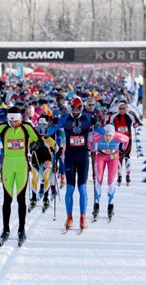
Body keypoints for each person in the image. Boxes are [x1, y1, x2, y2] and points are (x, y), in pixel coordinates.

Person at [0, 107, 42, 244]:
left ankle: (21, 230)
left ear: (20, 119)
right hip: (8, 165)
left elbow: (38, 140)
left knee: (21, 199)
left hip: (21, 165)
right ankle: (6, 229)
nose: (14, 124)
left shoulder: (27, 127)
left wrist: (34, 145)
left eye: (16, 122)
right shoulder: (3, 127)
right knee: (7, 199)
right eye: (12, 122)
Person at [47, 97, 104, 231]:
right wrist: (53, 122)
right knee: (70, 189)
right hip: (70, 156)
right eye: (74, 109)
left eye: (78, 109)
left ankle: (83, 217)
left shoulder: (88, 118)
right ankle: (69, 217)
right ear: (71, 108)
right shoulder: (65, 118)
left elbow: (101, 132)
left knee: (82, 189)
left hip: (83, 156)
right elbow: (50, 132)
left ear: (82, 108)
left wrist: (97, 122)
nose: (76, 111)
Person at [89, 124, 129, 221]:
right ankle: (96, 204)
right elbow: (90, 140)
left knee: (111, 180)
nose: (107, 138)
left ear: (113, 134)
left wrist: (123, 150)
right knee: (99, 179)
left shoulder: (117, 136)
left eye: (109, 136)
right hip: (101, 157)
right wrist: (92, 150)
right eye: (106, 135)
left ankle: (110, 205)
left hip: (113, 157)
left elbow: (127, 139)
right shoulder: (99, 136)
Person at [108, 101, 141, 186]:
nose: (122, 110)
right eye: (120, 109)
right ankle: (119, 176)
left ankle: (128, 175)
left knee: (126, 156)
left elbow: (137, 123)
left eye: (124, 108)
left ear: (126, 108)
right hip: (117, 139)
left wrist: (135, 125)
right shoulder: (113, 116)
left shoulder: (130, 115)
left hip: (127, 139)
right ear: (118, 109)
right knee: (118, 157)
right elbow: (108, 125)